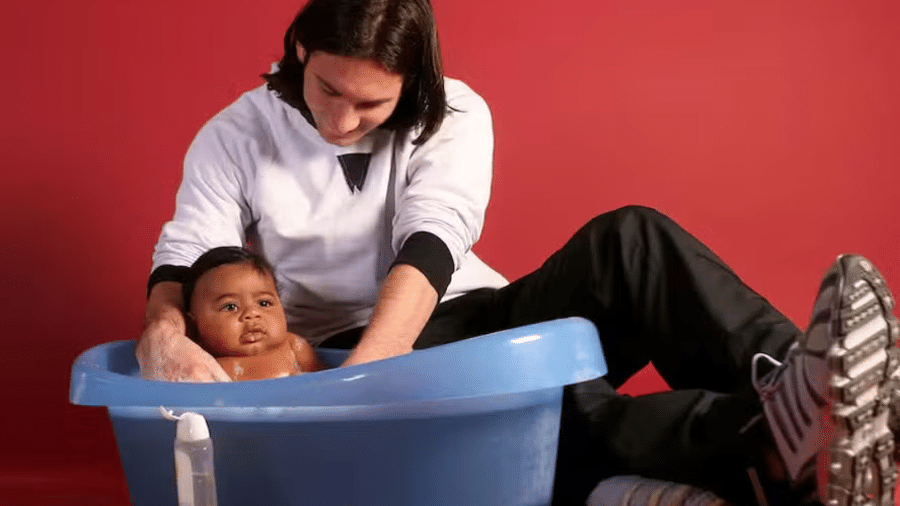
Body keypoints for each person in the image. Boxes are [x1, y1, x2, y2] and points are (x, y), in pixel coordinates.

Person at [135, 0, 900, 504]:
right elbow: (187, 251)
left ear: (414, 81)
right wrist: (167, 335)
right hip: (338, 354)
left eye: (371, 103)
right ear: (301, 46)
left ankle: (811, 384)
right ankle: (773, 442)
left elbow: (433, 238)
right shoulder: (235, 133)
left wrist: (379, 368)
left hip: (451, 313)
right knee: (545, 410)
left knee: (630, 238)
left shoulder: (457, 109)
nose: (342, 118)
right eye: (329, 88)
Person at [181, 246, 322, 381]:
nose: (252, 313)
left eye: (264, 303)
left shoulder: (295, 348)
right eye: (230, 307)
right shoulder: (200, 364)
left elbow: (325, 385)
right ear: (194, 323)